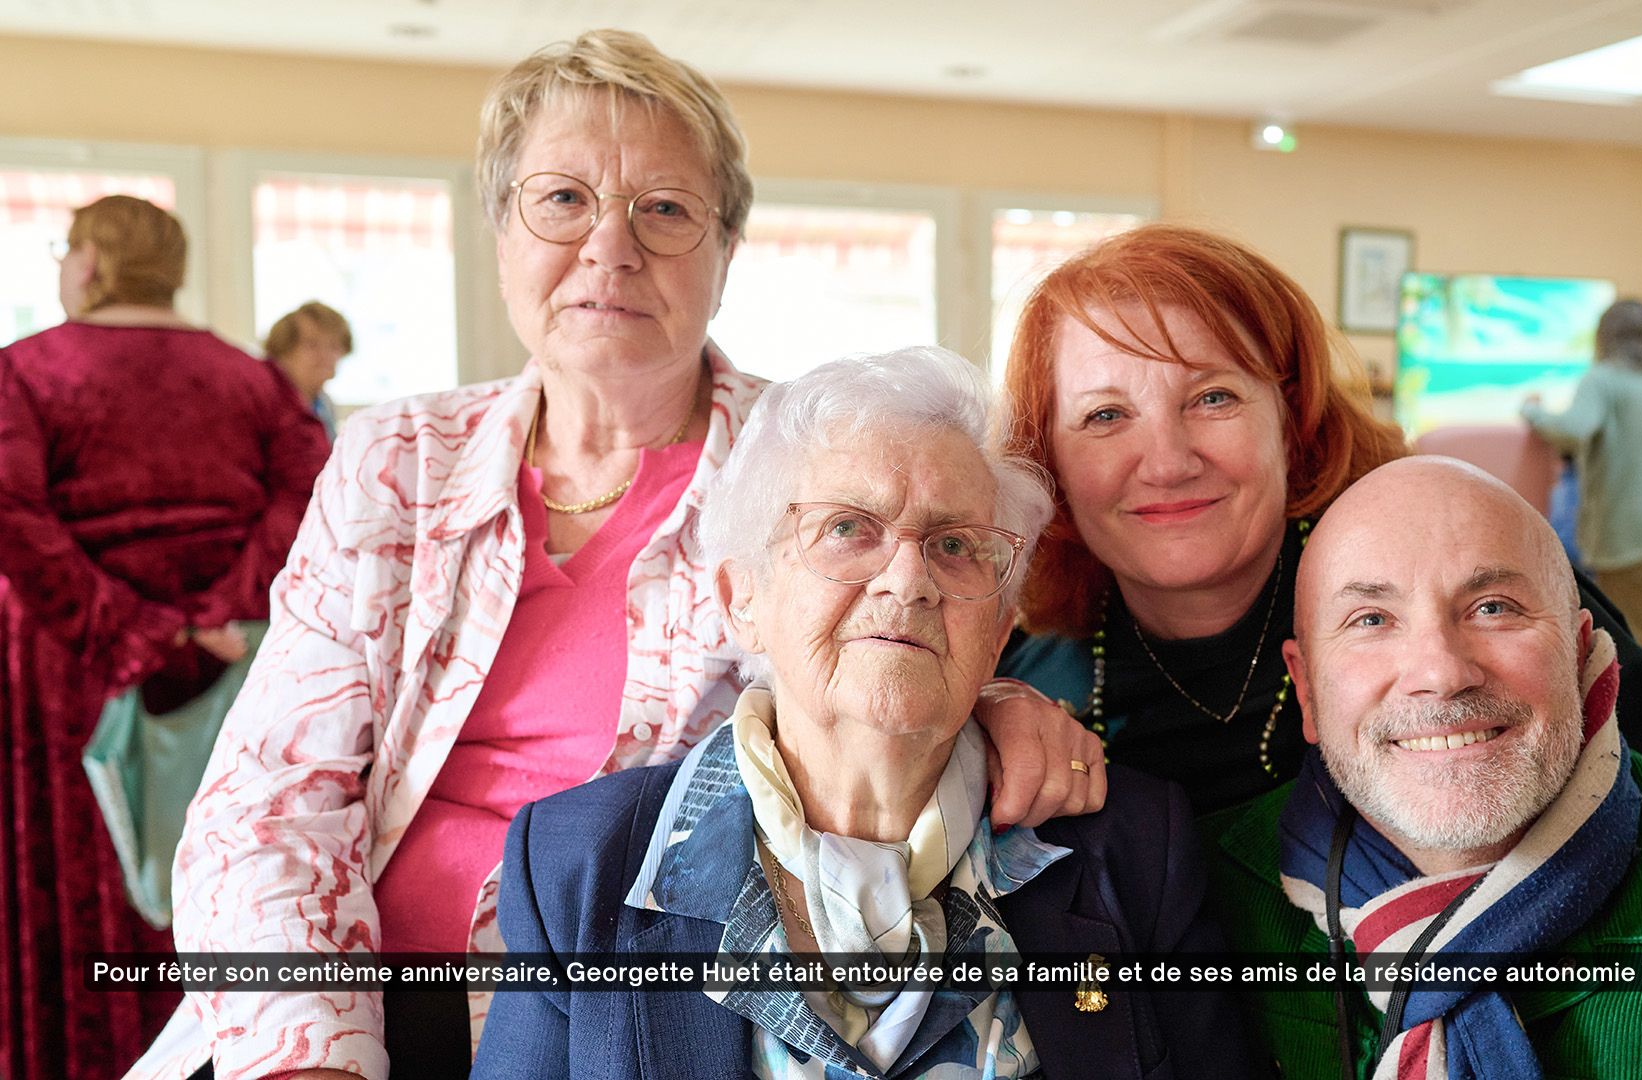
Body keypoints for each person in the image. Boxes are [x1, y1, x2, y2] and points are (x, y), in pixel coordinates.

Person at [137, 31, 1095, 1080]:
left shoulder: (813, 470)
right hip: (339, 1012)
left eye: (665, 210)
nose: (610, 247)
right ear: (501, 229)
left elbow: (894, 649)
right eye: (562, 200)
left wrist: (984, 704)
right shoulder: (397, 459)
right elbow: (272, 799)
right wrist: (312, 1059)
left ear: (726, 253)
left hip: (641, 1026)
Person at [992, 223, 1642, 1076]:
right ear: (1048, 461)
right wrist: (976, 719)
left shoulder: (1461, 586)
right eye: (1105, 416)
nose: (1167, 458)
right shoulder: (1031, 666)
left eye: (1214, 396)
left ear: (1293, 418)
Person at [473, 348, 1255, 1079]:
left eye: (955, 544)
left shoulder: (1134, 851)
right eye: (849, 530)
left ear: (998, 632)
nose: (908, 581)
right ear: (742, 599)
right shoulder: (582, 862)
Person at [1218, 456, 1642, 1076]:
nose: (1442, 673)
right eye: (1370, 619)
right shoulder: (1193, 899)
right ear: (1305, 690)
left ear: (1579, 654)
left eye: (1493, 608)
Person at [0, 195, 329, 1080]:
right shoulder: (252, 379)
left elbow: (12, 513)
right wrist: (217, 612)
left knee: (83, 887)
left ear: (92, 262)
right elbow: (309, 496)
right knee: (229, 869)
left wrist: (138, 630)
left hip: (73, 673)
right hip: (233, 672)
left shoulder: (24, 371)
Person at [1519, 298, 1642, 691]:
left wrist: (1533, 412)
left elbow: (1573, 429)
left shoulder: (1604, 379)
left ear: (1604, 338)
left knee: (1637, 657)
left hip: (1635, 540)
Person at [262, 300, 352, 440]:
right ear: (283, 351)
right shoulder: (266, 406)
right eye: (312, 345)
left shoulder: (324, 404)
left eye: (334, 346)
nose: (325, 356)